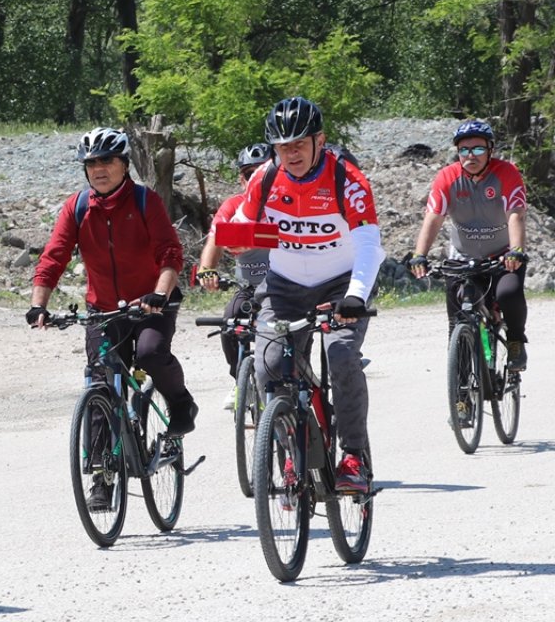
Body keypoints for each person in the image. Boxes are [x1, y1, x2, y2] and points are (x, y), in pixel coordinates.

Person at [27, 126, 198, 511]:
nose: (99, 169)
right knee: (102, 383)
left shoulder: (144, 200)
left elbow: (170, 252)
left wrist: (160, 291)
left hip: (152, 303)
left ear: (124, 164)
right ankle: (102, 478)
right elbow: (53, 256)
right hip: (103, 309)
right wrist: (39, 304)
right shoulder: (77, 207)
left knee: (152, 354)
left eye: (107, 160)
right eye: (91, 163)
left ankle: (181, 403)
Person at [238, 97, 385, 493]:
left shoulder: (347, 179)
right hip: (285, 287)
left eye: (299, 143)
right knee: (268, 365)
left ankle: (353, 455)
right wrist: (235, 240)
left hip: (341, 284)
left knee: (340, 355)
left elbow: (370, 243)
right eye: (282, 146)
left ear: (320, 140)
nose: (291, 153)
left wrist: (356, 295)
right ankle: (292, 450)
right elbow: (241, 222)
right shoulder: (265, 178)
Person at [407, 120, 529, 371]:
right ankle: (461, 395)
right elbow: (433, 217)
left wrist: (516, 250)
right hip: (463, 258)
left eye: (477, 149)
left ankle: (516, 339)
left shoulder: (506, 173)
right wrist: (420, 254)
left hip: (502, 256)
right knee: (458, 317)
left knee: (508, 294)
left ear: (490, 150)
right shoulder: (447, 177)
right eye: (464, 150)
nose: (470, 155)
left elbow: (516, 213)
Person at [195, 142, 273, 410]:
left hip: (285, 285)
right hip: (249, 286)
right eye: (250, 173)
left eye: (263, 171)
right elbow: (215, 240)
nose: (256, 179)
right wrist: (207, 270)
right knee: (230, 321)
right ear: (242, 179)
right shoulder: (234, 206)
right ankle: (242, 381)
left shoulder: (288, 204)